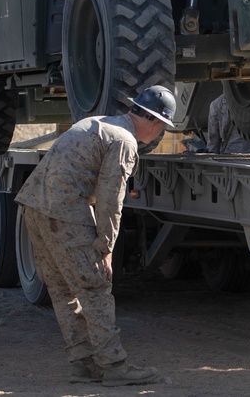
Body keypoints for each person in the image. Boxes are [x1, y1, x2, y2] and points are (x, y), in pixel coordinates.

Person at [15, 85, 177, 386]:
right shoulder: (124, 141)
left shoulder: (102, 123)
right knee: (94, 287)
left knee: (63, 290)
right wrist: (105, 248)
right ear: (155, 122)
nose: (160, 134)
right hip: (65, 212)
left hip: (34, 207)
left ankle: (82, 363)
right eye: (163, 128)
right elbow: (110, 199)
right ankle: (114, 364)